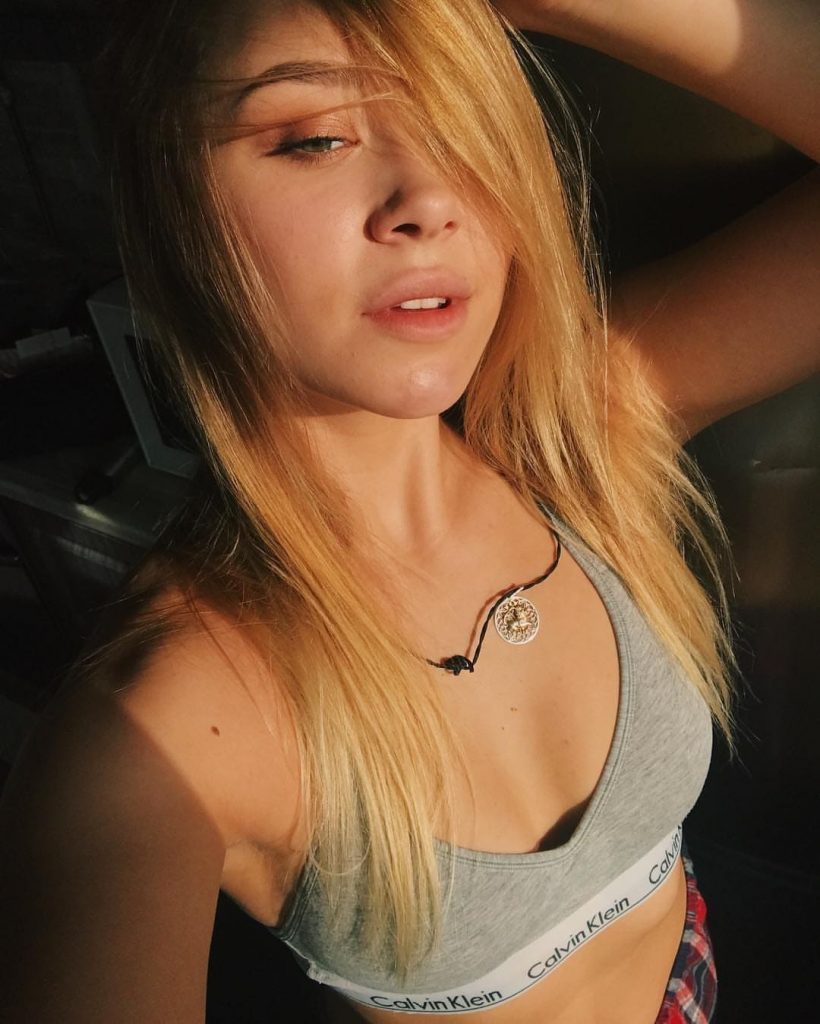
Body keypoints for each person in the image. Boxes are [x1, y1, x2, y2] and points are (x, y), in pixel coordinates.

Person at [0, 1, 817, 1022]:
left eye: (464, 127)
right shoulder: (153, 735)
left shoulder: (578, 446)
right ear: (171, 206)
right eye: (315, 138)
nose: (429, 199)